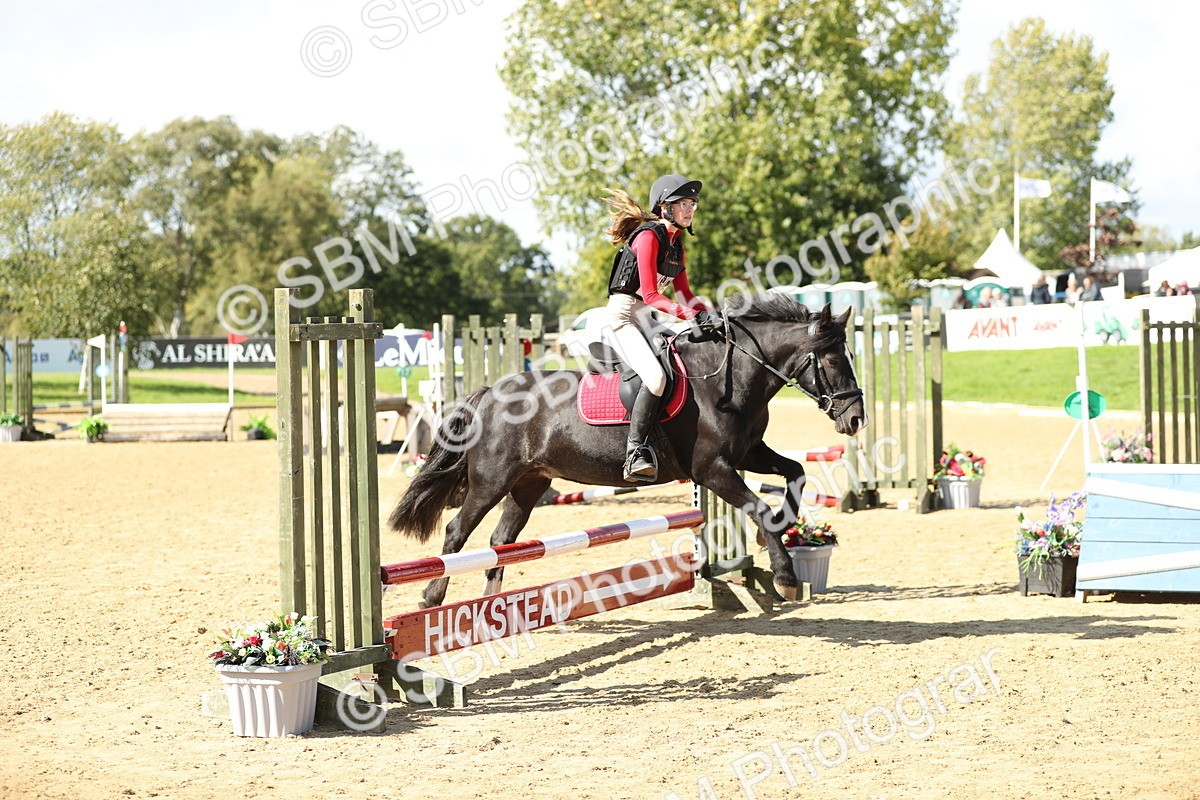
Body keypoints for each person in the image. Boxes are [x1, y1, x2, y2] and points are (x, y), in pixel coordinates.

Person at [601, 174, 718, 483]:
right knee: (655, 377)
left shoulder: (677, 246)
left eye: (692, 203)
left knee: (689, 360)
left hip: (648, 319)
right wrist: (686, 314)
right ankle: (635, 451)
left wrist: (713, 315)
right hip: (624, 317)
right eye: (683, 203)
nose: (690, 209)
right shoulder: (649, 237)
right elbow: (652, 295)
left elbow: (687, 295)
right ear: (665, 207)